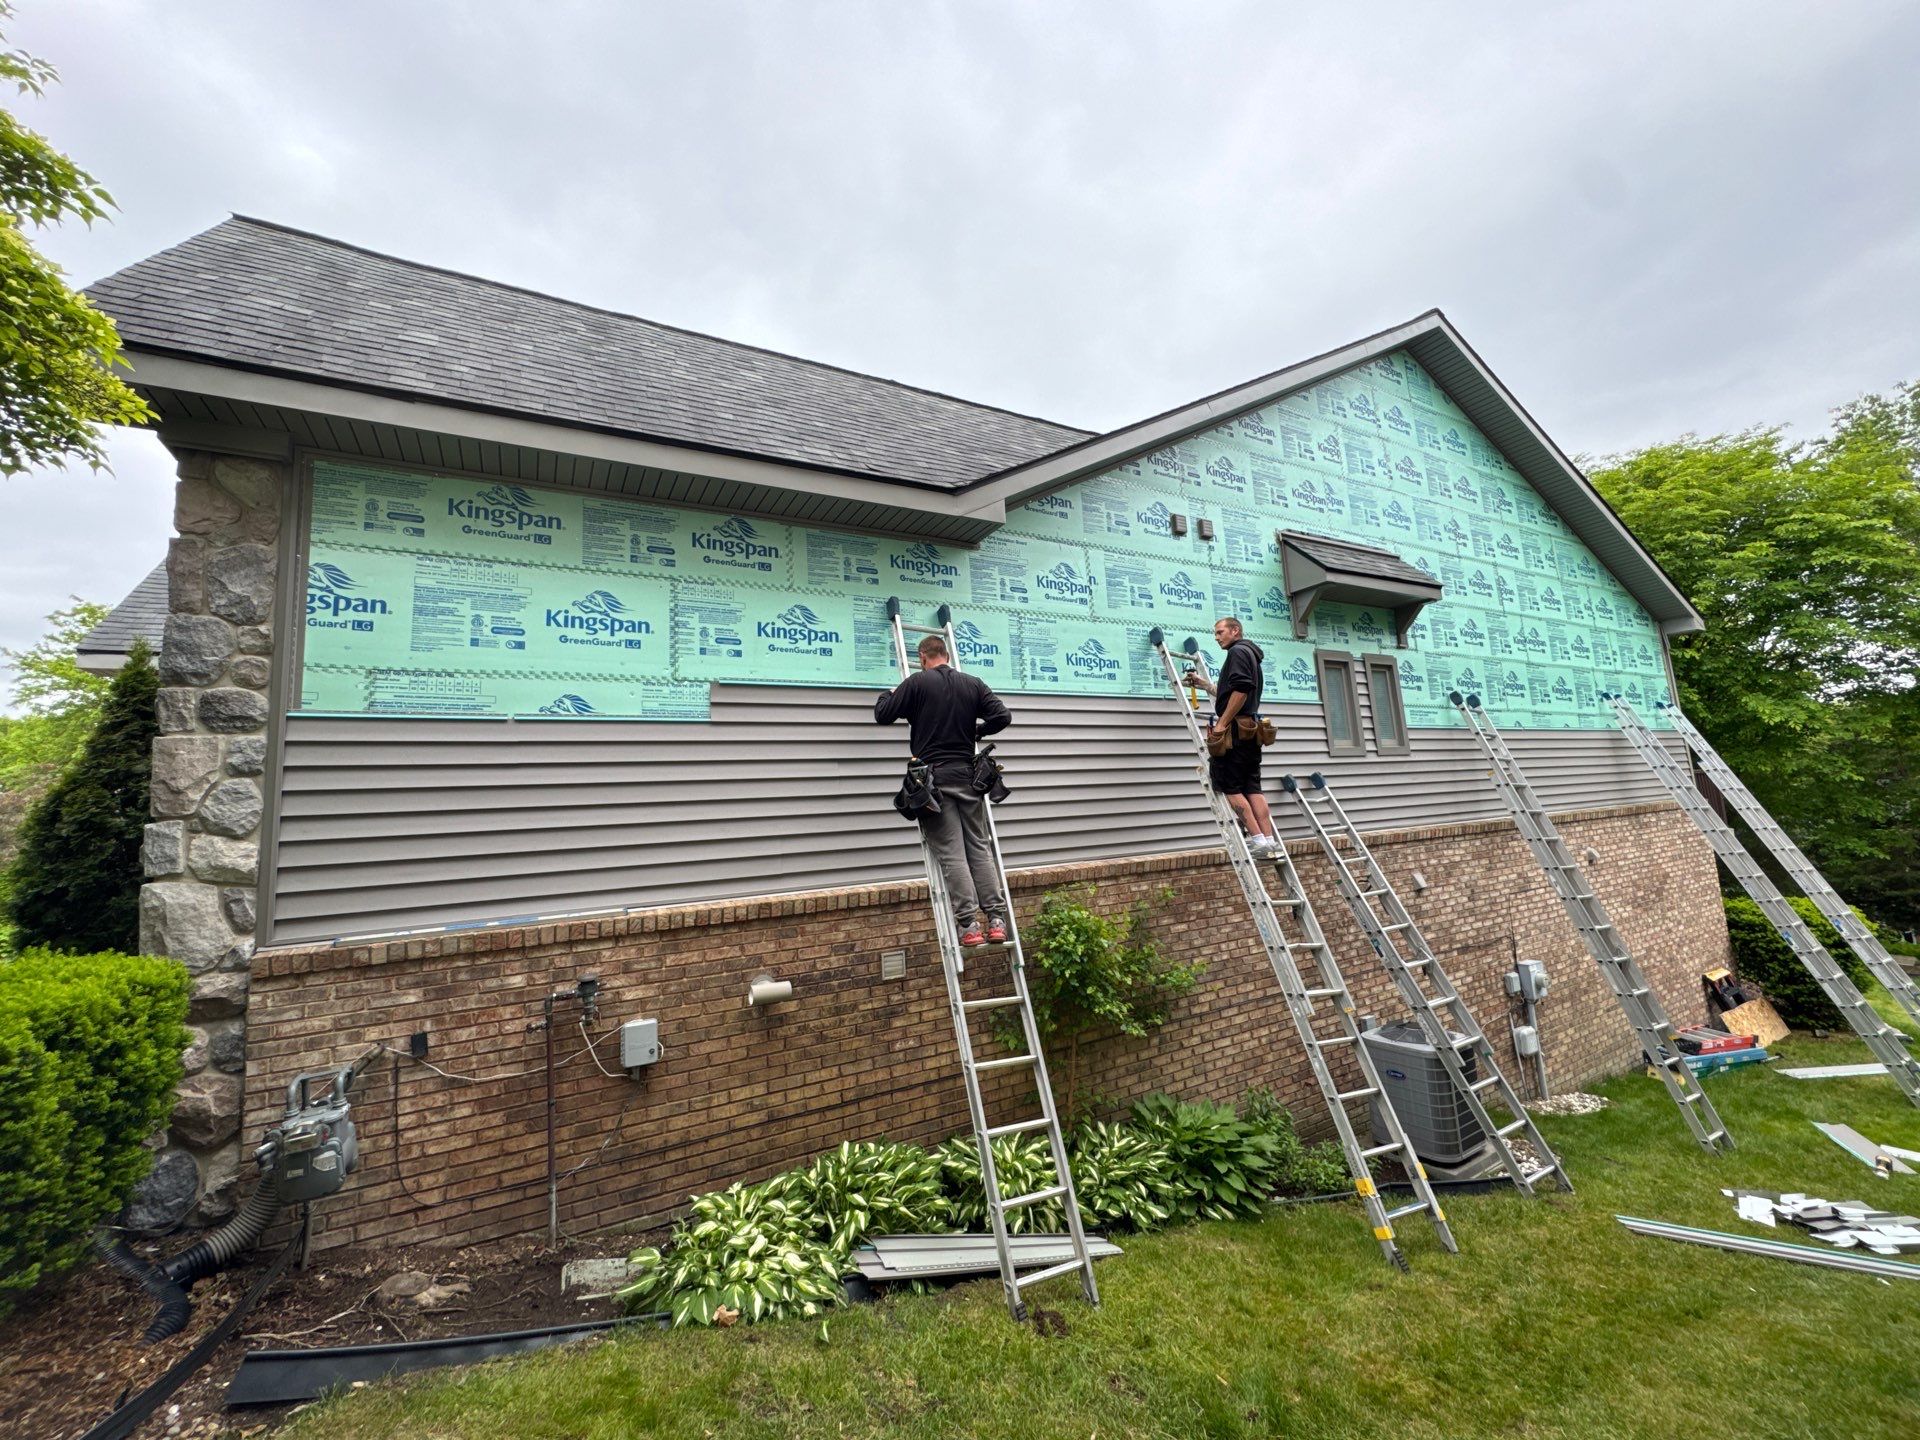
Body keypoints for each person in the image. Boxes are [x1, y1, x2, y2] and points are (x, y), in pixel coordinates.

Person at [875, 633, 1013, 945]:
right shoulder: (973, 683)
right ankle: (995, 921)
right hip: (968, 778)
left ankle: (968, 926)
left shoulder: (916, 683)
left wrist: (889, 693)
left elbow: (882, 715)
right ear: (947, 655)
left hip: (933, 782)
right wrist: (977, 729)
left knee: (952, 853)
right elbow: (1002, 716)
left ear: (923, 658)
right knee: (978, 846)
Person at [1185, 616, 1279, 856]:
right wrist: (1203, 684)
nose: (1216, 638)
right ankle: (1268, 841)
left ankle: (1257, 840)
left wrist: (1221, 724)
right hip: (1250, 731)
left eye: (1220, 632)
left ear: (1235, 631)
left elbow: (1240, 690)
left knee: (1230, 787)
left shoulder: (1237, 652)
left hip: (1235, 733)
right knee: (1252, 787)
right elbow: (1232, 691)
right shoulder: (1250, 654)